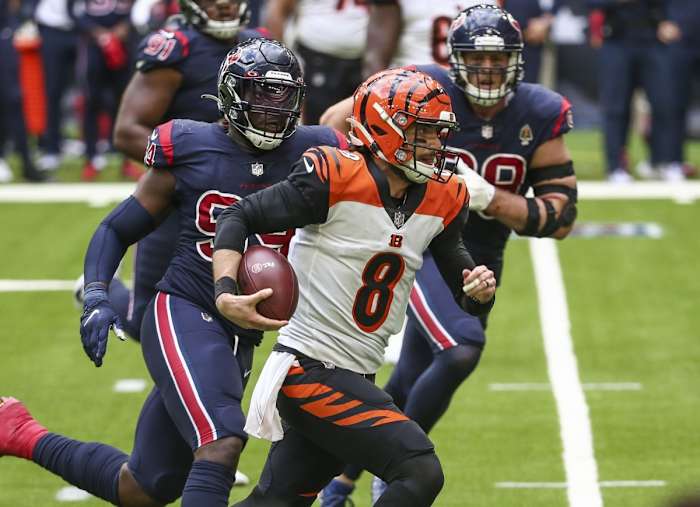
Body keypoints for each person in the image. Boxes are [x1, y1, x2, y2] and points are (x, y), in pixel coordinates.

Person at [0, 39, 346, 507]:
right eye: (260, 94)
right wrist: (100, 295)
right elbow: (117, 227)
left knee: (145, 487)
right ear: (229, 94)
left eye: (282, 96)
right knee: (222, 439)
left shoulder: (316, 151)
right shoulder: (190, 146)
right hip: (185, 307)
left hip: (240, 331)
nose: (271, 108)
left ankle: (18, 431)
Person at [319, 4, 578, 504]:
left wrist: (490, 199)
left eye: (498, 60)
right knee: (460, 350)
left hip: (481, 252)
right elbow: (338, 122)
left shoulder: (539, 111)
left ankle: (339, 482)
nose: (486, 70)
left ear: (516, 62)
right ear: (453, 59)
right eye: (475, 60)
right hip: (418, 239)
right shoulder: (422, 88)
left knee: (413, 375)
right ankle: (395, 467)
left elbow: (561, 219)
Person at [211, 67, 497, 507]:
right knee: (419, 470)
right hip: (310, 368)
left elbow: (463, 286)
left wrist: (477, 290)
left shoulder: (444, 196)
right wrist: (226, 291)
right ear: (385, 129)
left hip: (357, 369)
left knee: (276, 502)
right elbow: (239, 216)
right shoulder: (333, 177)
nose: (437, 144)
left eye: (439, 133)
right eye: (424, 131)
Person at [99, 0, 268, 341]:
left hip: (239, 201)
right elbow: (128, 130)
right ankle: (110, 293)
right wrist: (196, 168)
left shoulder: (262, 46)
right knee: (147, 324)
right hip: (177, 201)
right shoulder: (177, 48)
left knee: (231, 324)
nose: (223, 3)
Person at [586, 0, 680, 182]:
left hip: (653, 41)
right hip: (616, 41)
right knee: (616, 107)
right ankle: (615, 167)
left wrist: (667, 21)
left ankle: (661, 162)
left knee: (664, 103)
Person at [265, 0, 368, 124]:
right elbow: (277, 10)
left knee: (356, 130)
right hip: (314, 60)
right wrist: (282, 63)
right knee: (313, 127)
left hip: (362, 63)